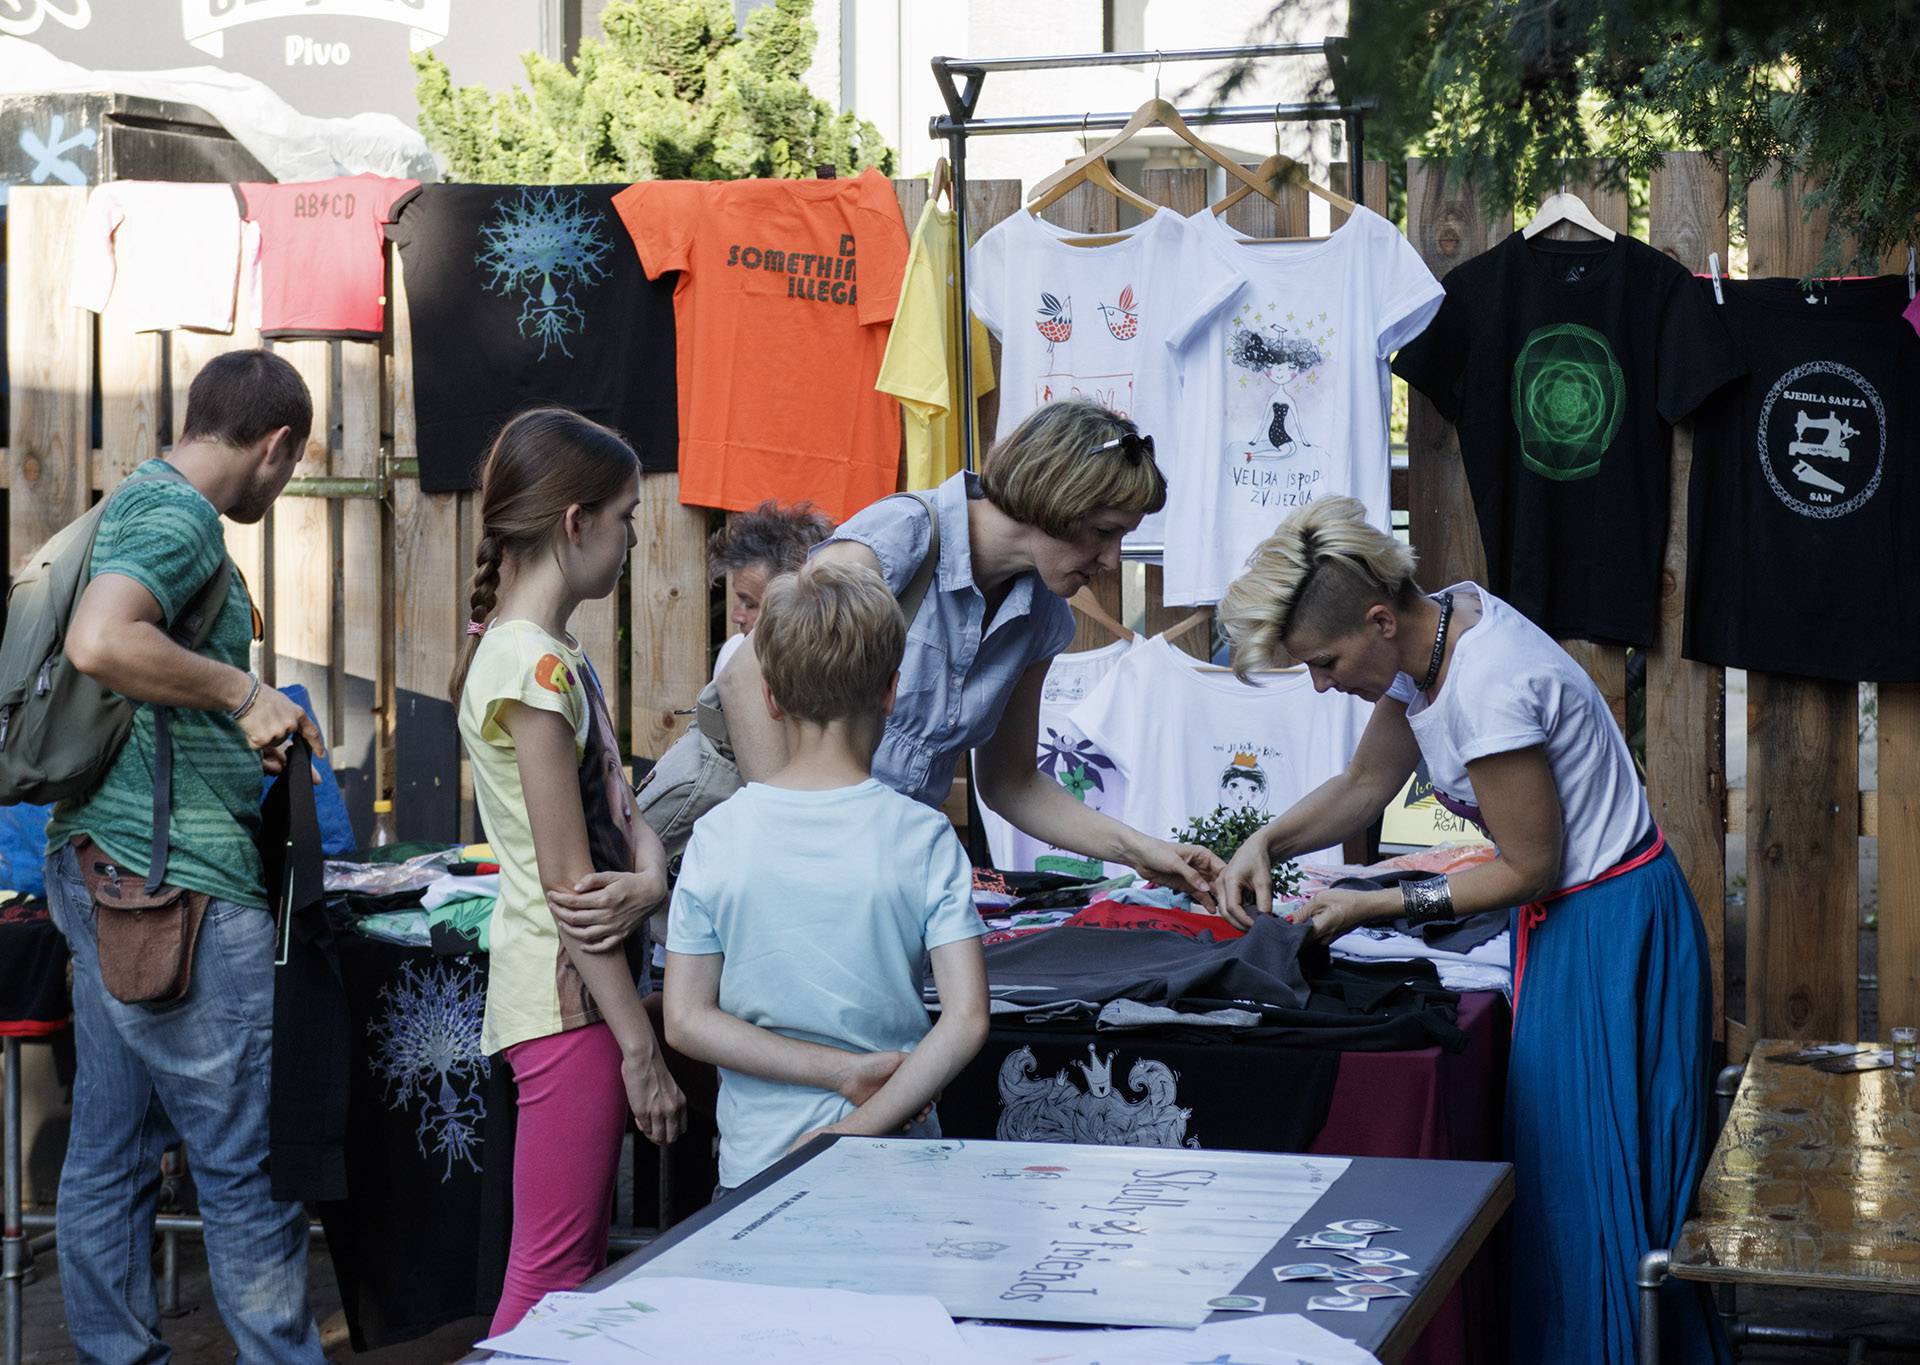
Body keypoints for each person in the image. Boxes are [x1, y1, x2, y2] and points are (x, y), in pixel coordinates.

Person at [1213, 496, 1721, 1365]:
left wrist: (1377, 903)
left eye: (1325, 663)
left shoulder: (1486, 683)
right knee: (1572, 1182)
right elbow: (1368, 782)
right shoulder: (1431, 632)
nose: (1324, 684)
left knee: (1585, 1189)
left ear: (1378, 620)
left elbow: (1530, 867)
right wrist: (1263, 839)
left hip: (1607, 928)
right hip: (1575, 923)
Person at [46, 349, 328, 1362]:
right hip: (178, 890)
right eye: (291, 466)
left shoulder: (136, 503)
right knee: (245, 1162)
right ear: (278, 444)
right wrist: (246, 695)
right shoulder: (176, 519)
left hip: (110, 873)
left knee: (110, 1156)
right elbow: (99, 641)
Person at [717, 399, 1222, 902]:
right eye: (1105, 532)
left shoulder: (1043, 616)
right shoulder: (904, 540)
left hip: (877, 871)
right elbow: (746, 674)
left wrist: (1141, 851)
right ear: (1056, 499)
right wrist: (796, 847)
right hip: (770, 859)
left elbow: (1011, 782)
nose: (1112, 560)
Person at [450, 408, 687, 1332]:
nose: (634, 538)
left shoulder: (550, 654)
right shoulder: (528, 664)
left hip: (573, 997)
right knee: (550, 1280)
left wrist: (654, 878)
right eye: (628, 517)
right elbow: (573, 888)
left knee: (570, 1271)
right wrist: (639, 1050)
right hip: (568, 1004)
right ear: (576, 521)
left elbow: (634, 829)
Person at [663, 560, 990, 1193]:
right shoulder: (923, 837)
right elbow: (967, 1018)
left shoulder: (718, 836)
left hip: (758, 1169)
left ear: (770, 698)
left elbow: (685, 1020)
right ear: (892, 691)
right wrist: (855, 1123)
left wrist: (837, 1073)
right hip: (895, 1167)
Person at [705, 500, 834, 682]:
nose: (736, 617)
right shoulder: (733, 655)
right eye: (739, 599)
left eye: (750, 604)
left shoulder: (840, 670)